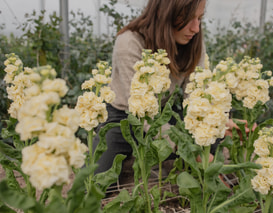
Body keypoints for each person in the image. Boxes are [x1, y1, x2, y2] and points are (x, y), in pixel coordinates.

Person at [93, 0, 252, 174]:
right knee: (96, 181)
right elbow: (141, 113)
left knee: (206, 139)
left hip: (162, 112)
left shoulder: (192, 41)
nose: (196, 28)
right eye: (189, 18)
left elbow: (196, 95)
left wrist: (221, 122)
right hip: (123, 115)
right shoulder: (130, 43)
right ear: (165, 14)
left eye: (199, 18)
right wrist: (185, 146)